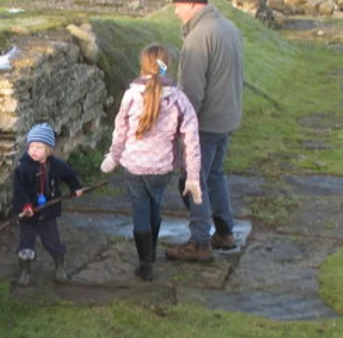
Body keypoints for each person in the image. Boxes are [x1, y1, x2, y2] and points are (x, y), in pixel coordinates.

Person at [100, 44, 202, 280]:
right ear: (167, 66)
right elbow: (191, 140)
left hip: (134, 166)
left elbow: (120, 132)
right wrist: (193, 175)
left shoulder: (130, 96)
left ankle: (145, 263)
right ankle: (152, 253)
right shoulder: (178, 99)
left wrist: (113, 157)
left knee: (140, 208)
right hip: (161, 168)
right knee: (155, 205)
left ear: (142, 65)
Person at [163, 0, 245, 264]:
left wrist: (181, 126)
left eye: (178, 7)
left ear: (192, 4)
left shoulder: (198, 38)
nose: (176, 13)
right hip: (228, 116)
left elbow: (192, 91)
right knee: (214, 175)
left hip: (206, 122)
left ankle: (199, 242)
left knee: (192, 181)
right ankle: (225, 232)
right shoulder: (229, 28)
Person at [12, 122, 86, 285]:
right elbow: (19, 191)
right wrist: (25, 206)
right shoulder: (23, 169)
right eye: (31, 146)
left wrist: (76, 187)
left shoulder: (56, 165)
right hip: (29, 215)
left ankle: (60, 266)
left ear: (48, 149)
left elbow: (69, 174)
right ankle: (24, 271)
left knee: (52, 241)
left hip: (48, 212)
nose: (33, 150)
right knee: (26, 243)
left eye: (39, 147)